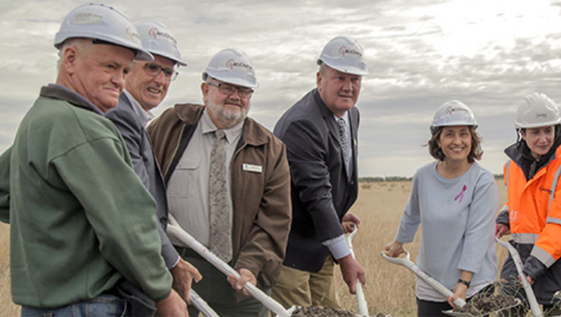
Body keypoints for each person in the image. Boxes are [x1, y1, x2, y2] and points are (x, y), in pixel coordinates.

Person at [0, 3, 187, 317]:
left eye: (125, 71)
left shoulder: (39, 118)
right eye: (110, 67)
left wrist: (57, 229)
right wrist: (162, 292)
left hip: (41, 306)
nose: (119, 80)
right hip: (85, 305)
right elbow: (125, 222)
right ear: (70, 59)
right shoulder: (83, 126)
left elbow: (7, 193)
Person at [147, 48, 292, 317]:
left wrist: (251, 266)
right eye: (226, 87)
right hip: (176, 269)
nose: (236, 96)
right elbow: (141, 194)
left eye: (244, 90)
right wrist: (166, 261)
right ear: (205, 89)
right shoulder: (170, 126)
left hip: (240, 278)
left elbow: (275, 220)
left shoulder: (270, 148)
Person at [105, 21, 202, 303]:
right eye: (151, 68)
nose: (160, 80)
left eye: (168, 72)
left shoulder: (134, 119)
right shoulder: (119, 116)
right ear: (127, 66)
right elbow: (133, 205)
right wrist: (172, 262)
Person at [271, 35, 368, 309]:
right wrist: (346, 258)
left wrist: (337, 213)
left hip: (320, 246)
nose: (348, 87)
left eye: (355, 80)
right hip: (290, 251)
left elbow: (328, 179)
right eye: (339, 78)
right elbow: (316, 196)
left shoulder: (351, 115)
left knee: (330, 312)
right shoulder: (302, 124)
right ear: (320, 78)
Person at [384, 100, 499, 317]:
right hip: (431, 280)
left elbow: (478, 235)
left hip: (473, 285)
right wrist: (398, 243)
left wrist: (464, 283)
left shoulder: (482, 181)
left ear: (472, 139)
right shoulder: (423, 176)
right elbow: (412, 213)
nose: (457, 141)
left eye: (463, 134)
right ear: (438, 139)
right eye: (449, 134)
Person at [495, 93, 561, 317]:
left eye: (548, 130)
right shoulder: (512, 167)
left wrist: (535, 265)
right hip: (522, 256)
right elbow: (519, 201)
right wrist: (505, 218)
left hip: (560, 262)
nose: (543, 139)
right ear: (522, 133)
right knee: (506, 312)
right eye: (536, 132)